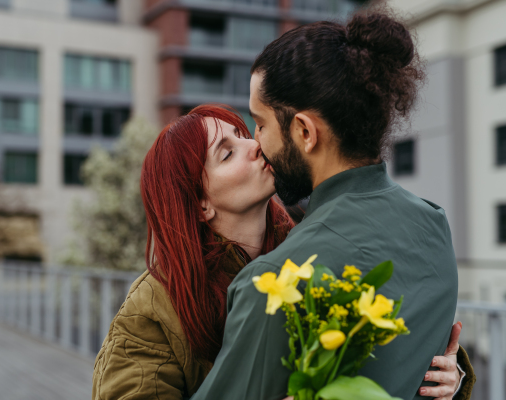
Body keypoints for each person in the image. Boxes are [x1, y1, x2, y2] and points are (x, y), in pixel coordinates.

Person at [91, 105, 474, 400]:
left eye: (245, 133)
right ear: (201, 203)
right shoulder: (155, 305)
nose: (255, 146)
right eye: (227, 154)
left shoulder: (317, 248)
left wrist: (447, 379)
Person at [188, 10, 475, 400]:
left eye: (261, 123)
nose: (257, 143)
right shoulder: (434, 224)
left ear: (305, 132)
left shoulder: (274, 284)